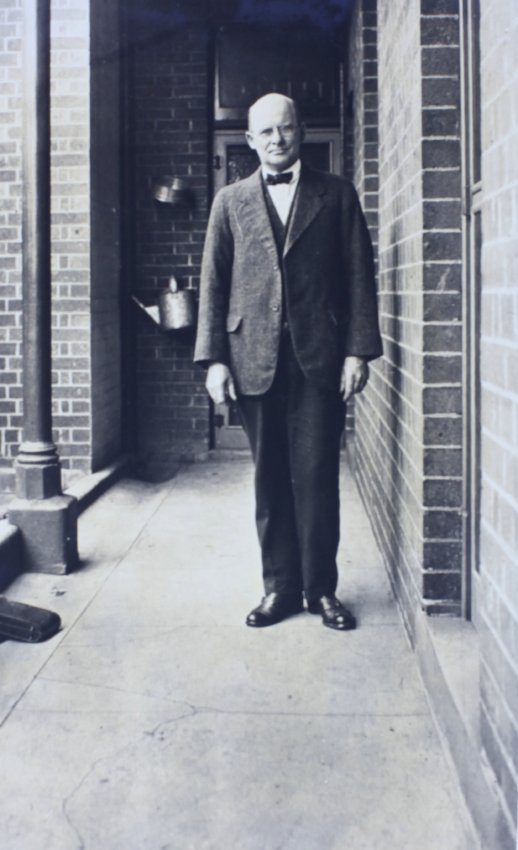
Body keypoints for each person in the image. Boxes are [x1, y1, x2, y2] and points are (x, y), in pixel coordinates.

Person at [194, 93, 382, 631]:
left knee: (318, 476)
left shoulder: (338, 195)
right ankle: (279, 589)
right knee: (270, 479)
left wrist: (357, 351)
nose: (278, 140)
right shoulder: (229, 202)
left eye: (286, 129)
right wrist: (215, 361)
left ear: (300, 130)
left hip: (319, 360)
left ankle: (322, 590)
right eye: (267, 133)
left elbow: (359, 280)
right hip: (252, 359)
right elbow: (213, 283)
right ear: (250, 140)